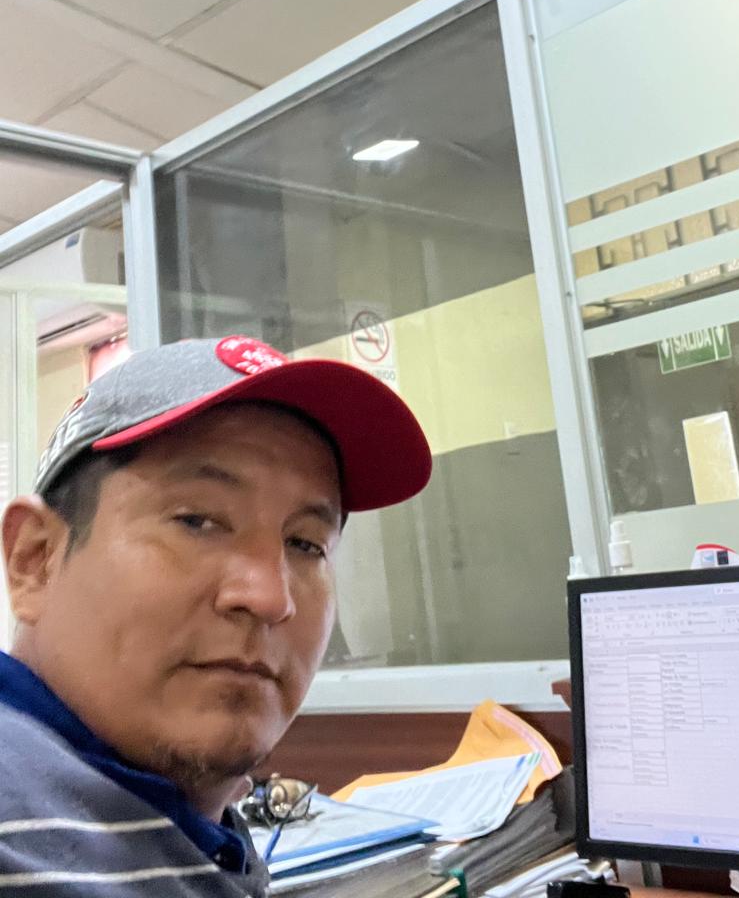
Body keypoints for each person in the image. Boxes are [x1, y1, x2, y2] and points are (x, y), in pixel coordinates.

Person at [0, 335, 431, 894]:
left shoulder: (175, 827)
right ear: (35, 560)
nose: (270, 598)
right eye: (197, 521)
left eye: (305, 544)